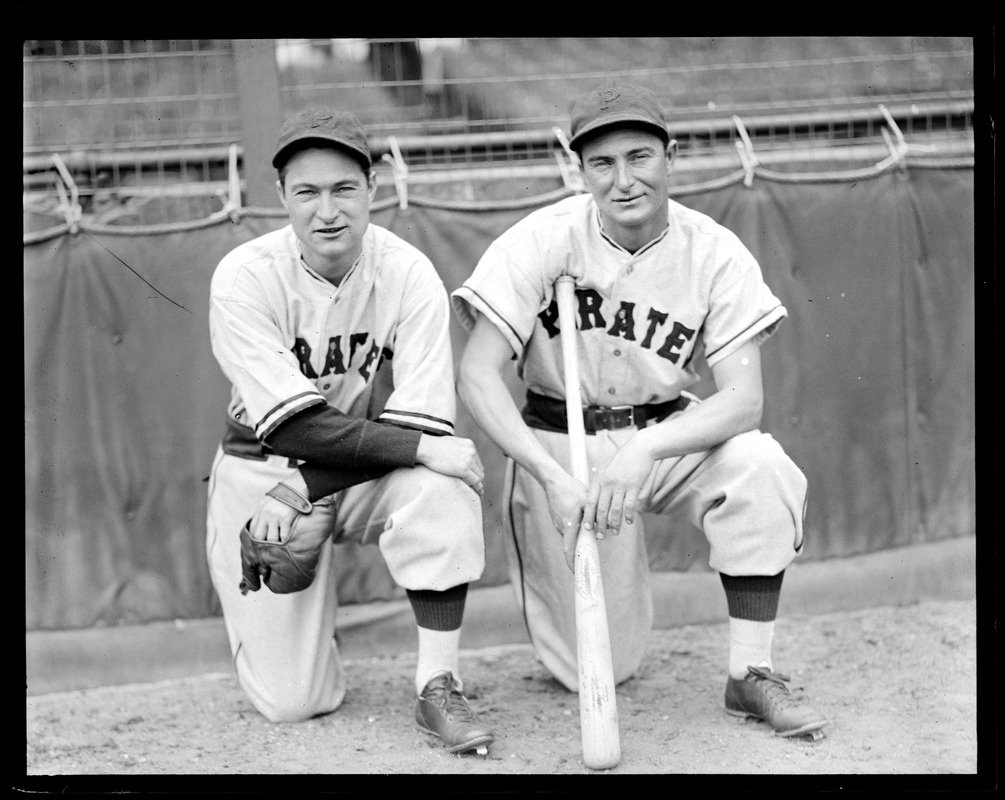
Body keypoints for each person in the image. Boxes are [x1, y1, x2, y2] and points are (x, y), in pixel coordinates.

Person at [452, 82, 828, 739]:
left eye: (639, 157)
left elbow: (743, 400)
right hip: (558, 444)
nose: (623, 180)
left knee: (761, 467)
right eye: (602, 163)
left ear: (670, 156)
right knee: (597, 667)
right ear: (580, 171)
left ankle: (749, 674)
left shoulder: (712, 251)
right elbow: (477, 376)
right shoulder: (539, 241)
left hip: (664, 435)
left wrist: (647, 449)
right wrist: (547, 475)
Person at [206, 106, 494, 754]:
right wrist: (415, 449)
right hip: (260, 465)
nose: (326, 210)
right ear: (280, 195)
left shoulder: (408, 271)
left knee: (441, 485)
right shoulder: (245, 277)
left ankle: (437, 684)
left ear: (372, 188)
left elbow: (420, 420)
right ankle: (297, 615)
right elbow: (300, 428)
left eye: (343, 188)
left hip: (356, 469)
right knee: (293, 703)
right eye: (306, 191)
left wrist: (318, 484)